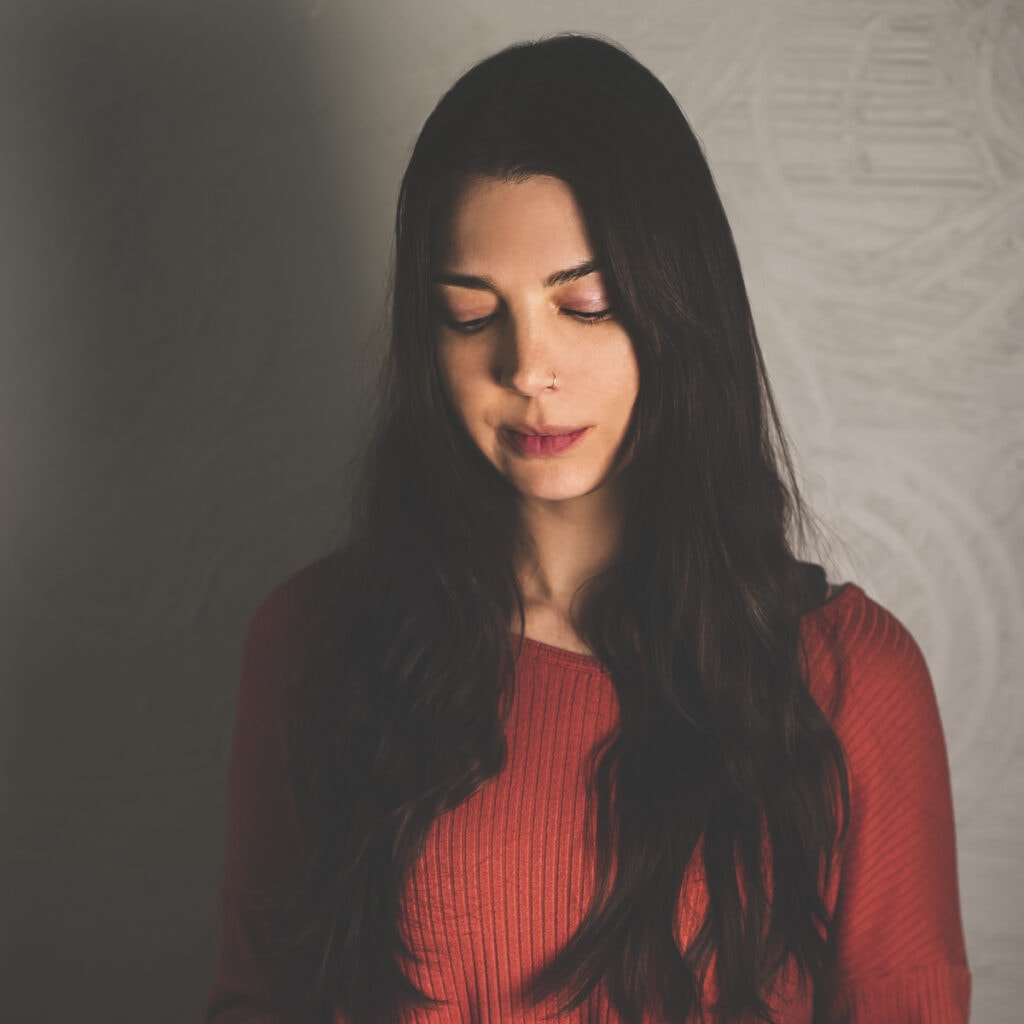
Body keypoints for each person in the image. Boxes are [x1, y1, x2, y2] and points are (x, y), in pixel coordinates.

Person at [204, 33, 970, 1024]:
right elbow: (256, 999)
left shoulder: (850, 681)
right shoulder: (311, 640)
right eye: (470, 314)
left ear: (674, 306)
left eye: (586, 304)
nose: (528, 366)